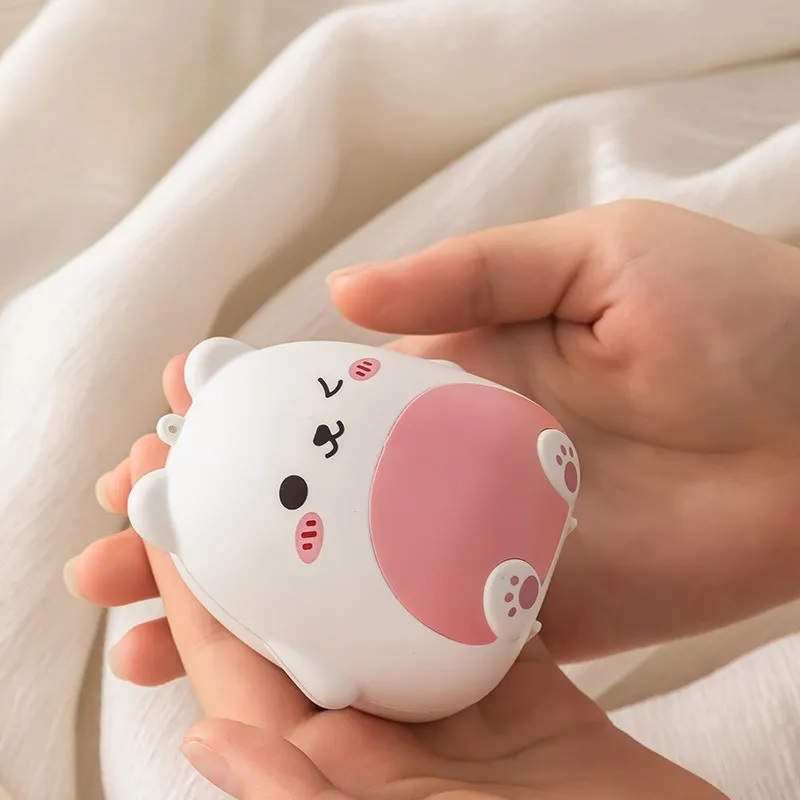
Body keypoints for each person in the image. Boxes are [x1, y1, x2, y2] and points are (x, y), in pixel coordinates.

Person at [65, 200, 800, 799]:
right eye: (296, 497)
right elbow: (323, 671)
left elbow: (324, 671)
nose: (328, 443)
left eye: (334, 390)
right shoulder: (204, 496)